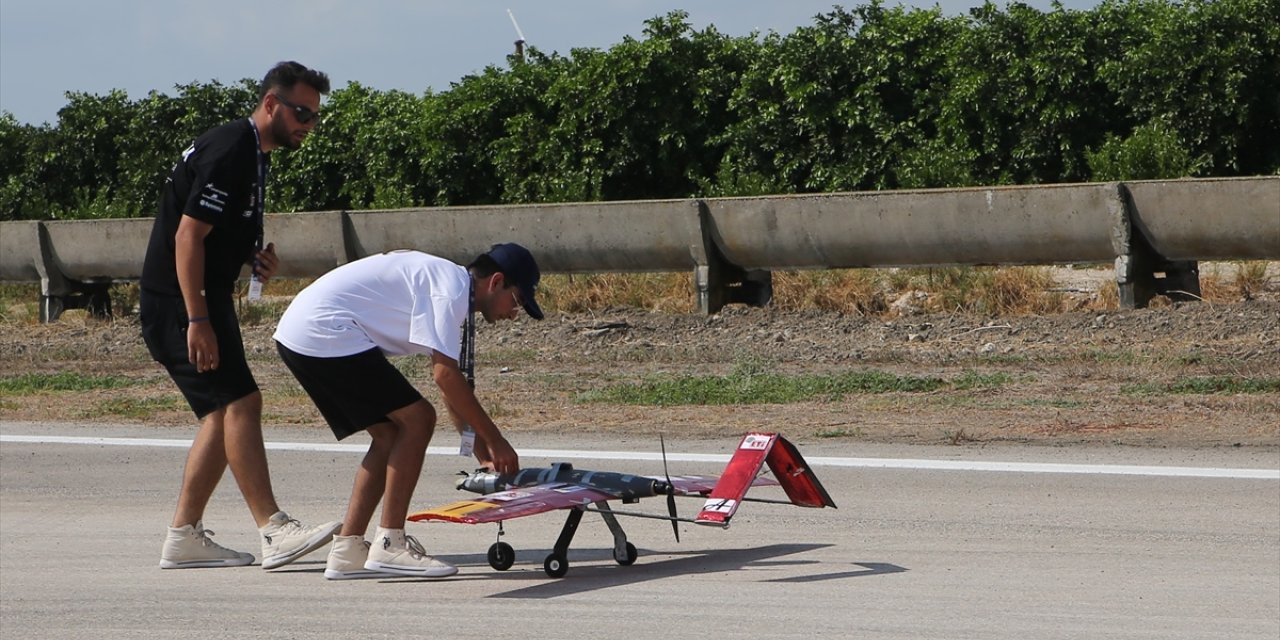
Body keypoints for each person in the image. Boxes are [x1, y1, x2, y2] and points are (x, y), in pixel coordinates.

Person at [141, 61, 341, 570]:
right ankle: (274, 530)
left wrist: (253, 261)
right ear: (271, 103)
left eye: (315, 117)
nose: (307, 124)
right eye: (301, 112)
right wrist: (197, 320)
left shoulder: (254, 155)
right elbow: (187, 236)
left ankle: (184, 537)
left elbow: (215, 231)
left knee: (220, 414)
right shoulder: (232, 147)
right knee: (242, 403)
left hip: (203, 297)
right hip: (183, 303)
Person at [272, 244, 544, 579]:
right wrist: (496, 441)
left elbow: (452, 386)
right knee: (418, 419)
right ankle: (390, 544)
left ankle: (347, 549)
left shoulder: (451, 287)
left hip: (305, 331)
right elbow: (444, 377)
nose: (514, 313)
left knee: (390, 433)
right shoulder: (451, 290)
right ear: (496, 281)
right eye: (516, 301)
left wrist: (480, 453)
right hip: (323, 330)